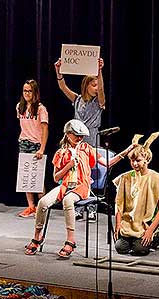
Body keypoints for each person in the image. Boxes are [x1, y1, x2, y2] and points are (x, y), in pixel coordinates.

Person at [24, 119, 135, 259]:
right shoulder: (60, 153)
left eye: (81, 136)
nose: (80, 138)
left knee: (68, 201)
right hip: (64, 185)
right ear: (68, 134)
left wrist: (126, 151)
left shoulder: (86, 148)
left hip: (81, 186)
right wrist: (68, 166)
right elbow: (56, 177)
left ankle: (71, 240)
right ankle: (37, 237)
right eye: (77, 135)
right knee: (43, 202)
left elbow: (107, 163)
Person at [54, 57, 106, 222]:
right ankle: (77, 206)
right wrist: (58, 70)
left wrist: (99, 70)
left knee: (90, 174)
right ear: (86, 85)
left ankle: (91, 208)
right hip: (75, 138)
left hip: (91, 139)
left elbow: (102, 90)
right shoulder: (77, 100)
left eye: (97, 85)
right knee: (75, 173)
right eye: (93, 85)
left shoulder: (99, 102)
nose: (96, 88)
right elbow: (62, 87)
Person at [114, 131, 159, 256]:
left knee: (140, 250)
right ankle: (132, 238)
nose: (134, 164)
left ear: (146, 159)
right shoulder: (125, 178)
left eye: (138, 160)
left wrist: (150, 231)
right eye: (132, 160)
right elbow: (119, 204)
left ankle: (154, 237)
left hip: (146, 224)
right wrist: (118, 225)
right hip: (130, 224)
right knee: (120, 248)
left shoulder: (155, 178)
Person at [16, 79, 49, 218]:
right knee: (26, 177)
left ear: (35, 92)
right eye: (25, 91)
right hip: (24, 142)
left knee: (37, 178)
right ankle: (31, 206)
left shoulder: (41, 108)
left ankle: (43, 206)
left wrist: (42, 148)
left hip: (36, 144)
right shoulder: (19, 107)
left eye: (30, 91)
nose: (27, 93)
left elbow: (45, 128)